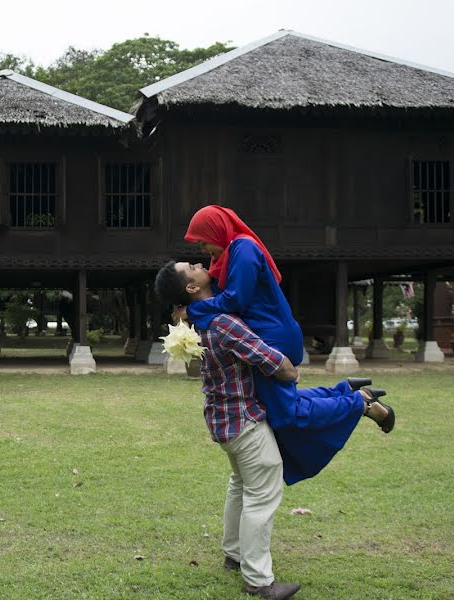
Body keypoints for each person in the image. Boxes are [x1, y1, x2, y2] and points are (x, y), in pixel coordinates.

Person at [154, 261, 388, 600]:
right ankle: (259, 581)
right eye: (192, 267)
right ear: (191, 288)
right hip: (244, 421)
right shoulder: (222, 322)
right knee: (262, 493)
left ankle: (234, 554)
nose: (201, 264)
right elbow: (271, 360)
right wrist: (291, 373)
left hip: (223, 422)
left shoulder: (197, 321)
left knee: (241, 485)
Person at [178, 205, 394, 485]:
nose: (203, 249)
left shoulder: (243, 249)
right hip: (264, 335)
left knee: (287, 414)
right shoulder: (229, 254)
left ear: (216, 230)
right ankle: (345, 390)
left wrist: (193, 311)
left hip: (272, 337)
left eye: (203, 240)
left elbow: (235, 301)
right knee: (282, 405)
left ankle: (359, 403)